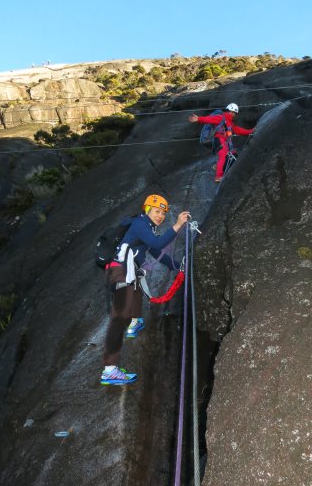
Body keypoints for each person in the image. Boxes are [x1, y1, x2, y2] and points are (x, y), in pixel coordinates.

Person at [101, 194, 190, 385]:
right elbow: (158, 244)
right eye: (156, 211)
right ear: (147, 209)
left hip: (127, 271)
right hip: (120, 271)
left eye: (163, 213)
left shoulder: (147, 228)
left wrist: (178, 266)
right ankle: (109, 370)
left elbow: (158, 252)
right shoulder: (140, 224)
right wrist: (178, 224)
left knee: (138, 290)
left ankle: (135, 323)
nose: (160, 216)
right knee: (119, 318)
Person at [188, 103, 254, 182]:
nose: (233, 114)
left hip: (226, 141)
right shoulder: (221, 117)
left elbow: (238, 130)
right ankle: (218, 176)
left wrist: (250, 131)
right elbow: (209, 119)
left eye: (235, 113)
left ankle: (217, 166)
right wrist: (198, 118)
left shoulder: (230, 123)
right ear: (228, 110)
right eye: (232, 112)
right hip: (219, 139)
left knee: (232, 153)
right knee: (223, 155)